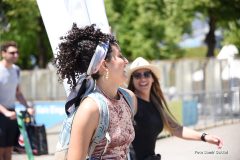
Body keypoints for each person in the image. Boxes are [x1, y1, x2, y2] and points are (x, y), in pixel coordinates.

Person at [53, 24, 137, 160]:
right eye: (120, 56)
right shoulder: (90, 108)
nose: (126, 61)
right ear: (104, 65)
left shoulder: (128, 98)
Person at [127, 57, 223, 160]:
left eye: (146, 74)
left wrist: (204, 137)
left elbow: (176, 129)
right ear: (132, 80)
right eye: (137, 75)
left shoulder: (156, 104)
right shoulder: (131, 101)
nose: (143, 78)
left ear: (153, 78)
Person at [0, 41, 34, 160]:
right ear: (3, 53)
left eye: (17, 52)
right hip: (2, 112)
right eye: (12, 53)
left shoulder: (16, 70)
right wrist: (5, 112)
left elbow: (18, 93)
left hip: (11, 113)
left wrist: (27, 107)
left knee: (8, 150)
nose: (16, 55)